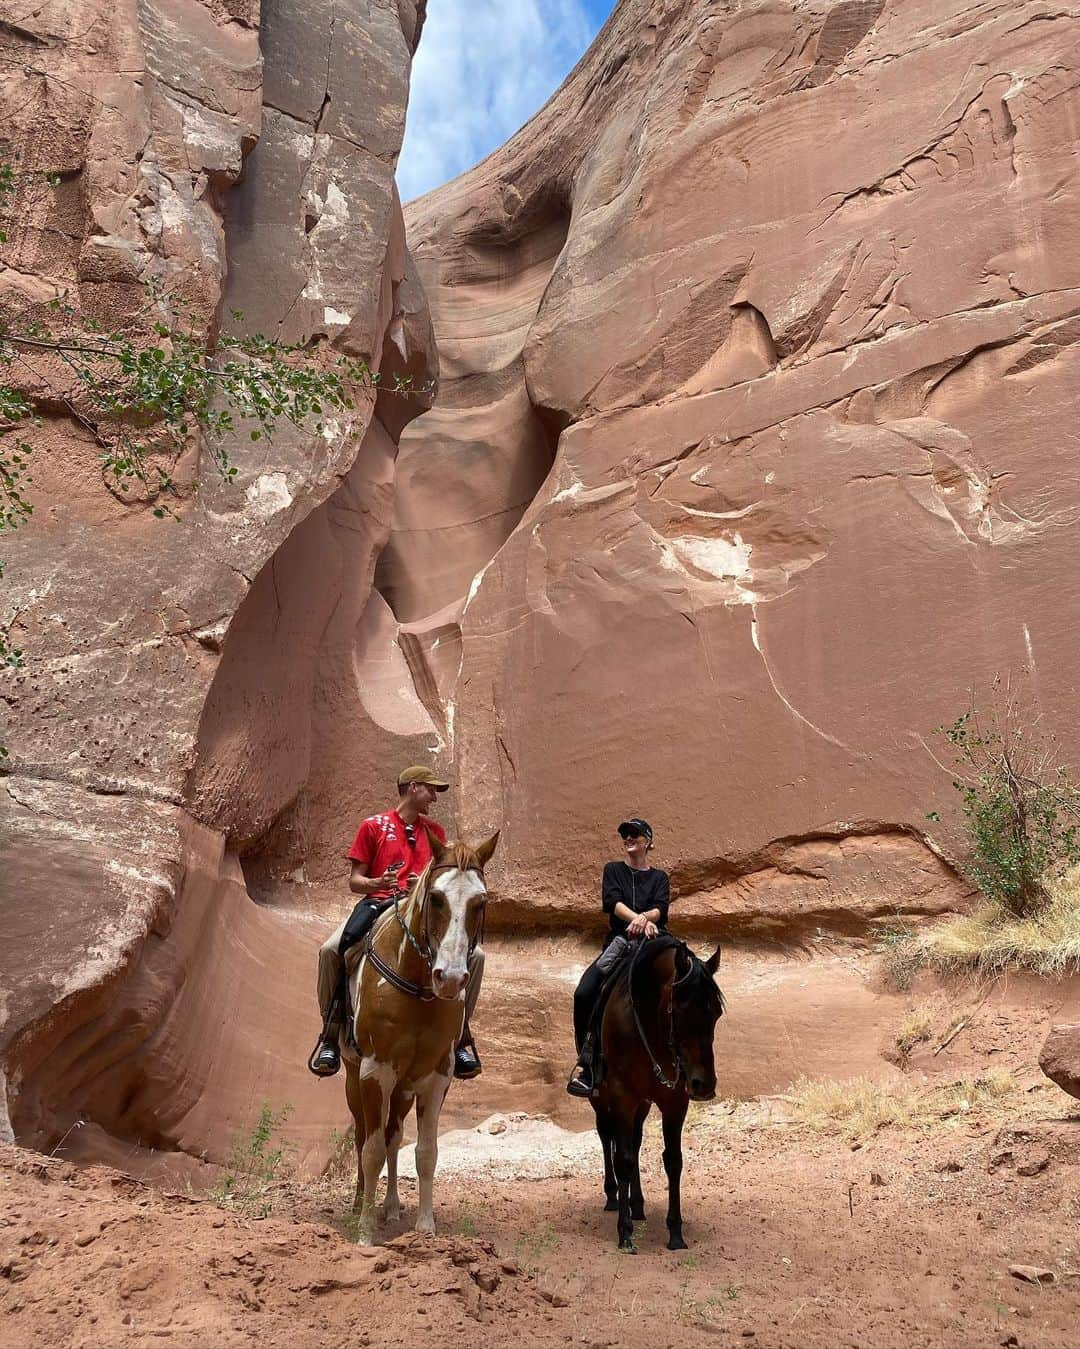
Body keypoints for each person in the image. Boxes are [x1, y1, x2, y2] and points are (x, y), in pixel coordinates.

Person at [310, 765, 484, 1080]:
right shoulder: (373, 826)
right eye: (430, 789)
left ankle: (461, 1037)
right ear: (412, 787)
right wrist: (380, 881)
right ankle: (330, 1034)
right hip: (380, 904)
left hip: (424, 911)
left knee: (477, 955)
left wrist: (424, 883)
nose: (434, 796)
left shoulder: (436, 832)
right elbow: (355, 881)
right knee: (331, 949)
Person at [566, 817, 671, 1098]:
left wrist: (647, 920)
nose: (628, 838)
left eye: (634, 834)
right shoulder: (613, 871)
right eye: (625, 834)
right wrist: (638, 919)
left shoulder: (660, 877)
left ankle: (684, 1062)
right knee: (584, 992)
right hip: (621, 942)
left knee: (687, 980)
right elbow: (612, 903)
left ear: (648, 841)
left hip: (652, 940)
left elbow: (661, 908)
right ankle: (587, 1064)